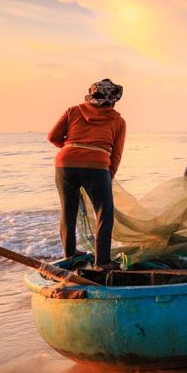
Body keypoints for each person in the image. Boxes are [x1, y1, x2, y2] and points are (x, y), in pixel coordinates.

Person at [47, 78, 127, 270]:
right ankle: (103, 262)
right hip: (97, 166)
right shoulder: (118, 121)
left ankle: (70, 254)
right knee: (103, 213)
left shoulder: (73, 111)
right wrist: (110, 173)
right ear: (113, 99)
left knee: (68, 211)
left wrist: (71, 148)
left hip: (65, 164)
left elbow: (52, 137)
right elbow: (116, 153)